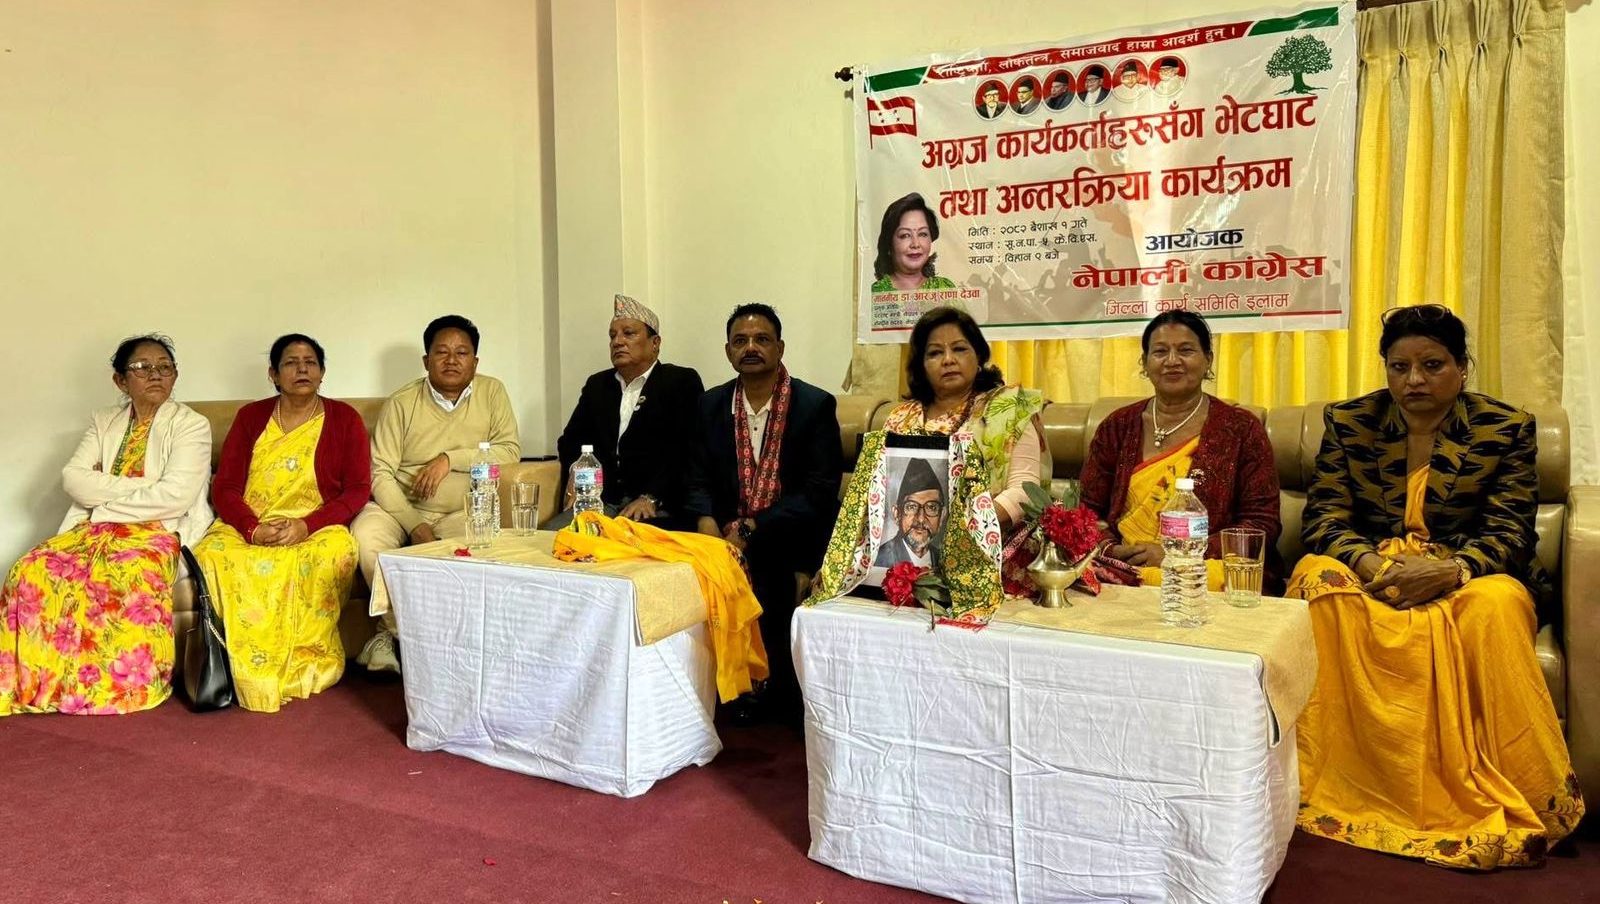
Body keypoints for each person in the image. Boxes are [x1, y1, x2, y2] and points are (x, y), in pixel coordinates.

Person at [1290, 304, 1582, 868]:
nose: (1414, 380)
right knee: (1315, 579)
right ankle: (1347, 783)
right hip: (1375, 567)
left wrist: (1452, 570)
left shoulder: (1504, 427)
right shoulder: (1350, 422)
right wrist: (1371, 565)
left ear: (1462, 367)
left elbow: (1511, 531)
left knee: (1496, 604)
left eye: (1432, 365)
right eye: (1399, 367)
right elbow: (1324, 518)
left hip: (1469, 572)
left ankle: (1505, 791)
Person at [0, 335, 213, 716]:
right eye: (142, 368)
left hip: (157, 529)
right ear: (120, 380)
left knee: (128, 572)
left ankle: (119, 687)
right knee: (29, 569)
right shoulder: (104, 422)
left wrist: (103, 500)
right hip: (93, 528)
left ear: (175, 375)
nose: (155, 375)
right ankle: (48, 682)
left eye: (164, 367)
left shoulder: (191, 425)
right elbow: (73, 479)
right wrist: (146, 485)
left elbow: (176, 496)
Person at [191, 334, 369, 713]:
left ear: (322, 372)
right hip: (250, 523)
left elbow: (357, 490)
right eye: (290, 362)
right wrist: (251, 527)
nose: (302, 369)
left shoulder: (345, 419)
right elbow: (225, 486)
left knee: (335, 552)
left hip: (315, 526)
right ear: (273, 374)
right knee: (212, 553)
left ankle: (300, 662)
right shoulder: (250, 417)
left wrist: (306, 526)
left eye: (310, 362)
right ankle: (242, 666)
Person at [686, 303, 841, 723]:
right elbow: (697, 477)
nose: (750, 348)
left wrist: (753, 528)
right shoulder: (710, 405)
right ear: (728, 351)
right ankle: (713, 685)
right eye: (740, 341)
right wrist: (706, 523)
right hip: (724, 530)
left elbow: (819, 491)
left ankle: (767, 687)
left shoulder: (813, 405)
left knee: (767, 562)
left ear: (780, 348)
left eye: (761, 340)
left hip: (792, 531)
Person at [351, 315, 520, 674]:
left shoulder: (492, 393)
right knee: (366, 539)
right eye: (442, 352)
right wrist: (414, 524)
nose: (452, 360)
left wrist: (449, 459)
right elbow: (379, 472)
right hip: (397, 508)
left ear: (475, 361)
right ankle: (403, 636)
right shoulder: (402, 402)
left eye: (462, 352)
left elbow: (509, 451)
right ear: (426, 360)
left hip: (462, 509)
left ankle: (396, 639)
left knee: (480, 550)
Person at [1080, 311, 1282, 591]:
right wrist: (1111, 550)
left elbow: (1261, 523)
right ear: (1145, 363)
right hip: (1123, 569)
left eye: (1186, 350)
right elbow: (1086, 511)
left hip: (1206, 570)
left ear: (1208, 359)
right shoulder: (1117, 426)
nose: (1172, 361)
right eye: (1160, 351)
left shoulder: (1241, 429)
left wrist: (1178, 554)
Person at [881, 306, 1048, 535]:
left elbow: (1024, 490)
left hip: (989, 539)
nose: (948, 360)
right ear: (921, 365)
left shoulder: (1010, 409)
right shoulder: (900, 418)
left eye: (959, 349)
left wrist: (961, 529)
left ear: (978, 356)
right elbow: (879, 490)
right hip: (906, 540)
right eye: (935, 353)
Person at [553, 294, 704, 530]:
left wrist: (652, 496)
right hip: (600, 502)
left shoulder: (680, 381)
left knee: (631, 544)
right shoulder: (598, 385)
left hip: (657, 505)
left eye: (628, 333)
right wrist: (576, 472)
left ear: (655, 343)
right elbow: (570, 441)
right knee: (552, 538)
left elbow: (687, 450)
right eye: (612, 335)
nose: (618, 342)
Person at [870, 193, 958, 293]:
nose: (915, 244)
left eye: (922, 234)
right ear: (889, 243)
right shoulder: (874, 292)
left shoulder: (944, 288)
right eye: (905, 235)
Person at [872, 457, 946, 568]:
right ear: (897, 514)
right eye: (911, 507)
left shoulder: (946, 561)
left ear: (942, 516)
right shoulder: (879, 560)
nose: (921, 518)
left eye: (931, 507)